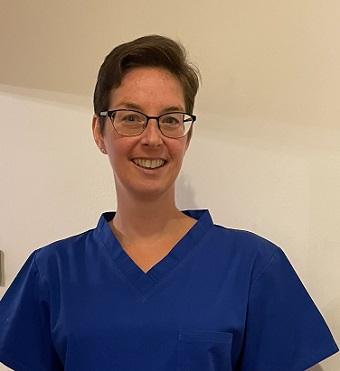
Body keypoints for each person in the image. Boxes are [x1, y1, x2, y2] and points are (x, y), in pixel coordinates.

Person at [0, 35, 338, 371]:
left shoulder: (254, 267)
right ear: (99, 132)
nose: (152, 138)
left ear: (187, 137)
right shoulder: (51, 272)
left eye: (171, 120)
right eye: (131, 117)